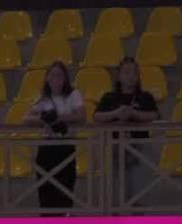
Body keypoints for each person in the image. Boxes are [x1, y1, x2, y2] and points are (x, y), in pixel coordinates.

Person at [94, 57, 160, 204]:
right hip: (115, 149)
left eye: (134, 72)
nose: (131, 76)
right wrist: (116, 114)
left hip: (140, 148)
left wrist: (134, 114)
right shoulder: (109, 97)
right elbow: (97, 117)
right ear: (119, 75)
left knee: (138, 194)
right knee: (115, 194)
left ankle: (137, 216)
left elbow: (154, 115)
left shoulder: (145, 97)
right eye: (127, 72)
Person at [22, 60, 85, 214]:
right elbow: (26, 119)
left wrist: (60, 118)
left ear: (65, 79)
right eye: (52, 76)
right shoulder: (43, 99)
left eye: (59, 76)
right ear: (47, 78)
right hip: (47, 148)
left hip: (66, 146)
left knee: (65, 191)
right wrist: (44, 119)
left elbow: (81, 116)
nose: (56, 79)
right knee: (46, 193)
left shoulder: (73, 95)